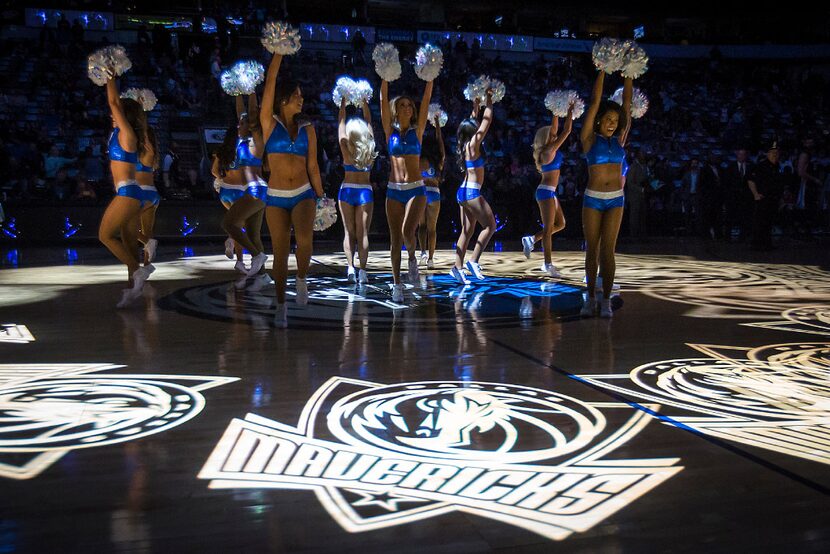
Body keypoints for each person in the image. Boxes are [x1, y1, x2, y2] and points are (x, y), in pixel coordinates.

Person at [260, 49, 324, 327]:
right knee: (280, 251)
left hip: (303, 193)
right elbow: (270, 81)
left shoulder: (308, 128)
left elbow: (313, 167)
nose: (301, 98)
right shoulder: (267, 123)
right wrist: (277, 54)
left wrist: (321, 198)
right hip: (275, 197)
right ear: (283, 99)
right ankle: (281, 305)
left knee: (306, 242)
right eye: (296, 94)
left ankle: (301, 278)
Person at [579, 69, 633, 318]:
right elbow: (594, 102)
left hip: (616, 200)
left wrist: (629, 73)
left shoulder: (620, 140)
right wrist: (601, 68)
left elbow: (627, 104)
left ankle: (606, 301)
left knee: (608, 251)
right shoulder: (589, 139)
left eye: (615, 120)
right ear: (599, 120)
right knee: (593, 249)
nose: (612, 123)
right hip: (593, 199)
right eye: (608, 119)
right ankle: (590, 297)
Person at [379, 62, 434, 302]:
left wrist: (430, 78)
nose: (407, 108)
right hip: (394, 190)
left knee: (406, 232)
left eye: (409, 105)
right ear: (396, 109)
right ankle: (397, 285)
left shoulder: (417, 130)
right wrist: (384, 76)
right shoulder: (389, 131)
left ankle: (412, 257)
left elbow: (426, 99)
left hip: (415, 189)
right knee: (394, 241)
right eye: (402, 105)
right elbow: (382, 101)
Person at [98, 76, 154, 307]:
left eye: (118, 114)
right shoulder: (124, 135)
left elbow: (113, 103)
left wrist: (110, 75)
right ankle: (133, 288)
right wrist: (139, 105)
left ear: (124, 117)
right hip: (133, 195)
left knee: (105, 236)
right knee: (130, 245)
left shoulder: (127, 135)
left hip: (128, 194)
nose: (112, 115)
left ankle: (136, 271)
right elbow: (119, 109)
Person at [213, 94, 268, 286]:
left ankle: (257, 255)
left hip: (257, 191)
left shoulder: (256, 140)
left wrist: (252, 92)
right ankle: (262, 275)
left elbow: (251, 115)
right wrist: (239, 92)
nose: (239, 124)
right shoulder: (242, 141)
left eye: (243, 123)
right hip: (251, 192)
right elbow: (242, 113)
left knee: (229, 224)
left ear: (252, 125)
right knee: (253, 235)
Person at [521, 103, 574, 277]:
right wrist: (569, 111)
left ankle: (532, 239)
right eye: (551, 134)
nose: (555, 134)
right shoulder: (548, 151)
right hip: (545, 192)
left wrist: (556, 110)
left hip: (550, 192)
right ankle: (547, 264)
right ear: (546, 138)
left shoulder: (549, 149)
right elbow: (565, 131)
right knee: (548, 228)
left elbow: (557, 128)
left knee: (562, 224)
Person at [451, 92, 497, 284]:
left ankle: (457, 267)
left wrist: (475, 105)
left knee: (467, 231)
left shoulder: (465, 144)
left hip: (462, 192)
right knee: (490, 226)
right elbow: (486, 122)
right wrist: (489, 101)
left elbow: (474, 122)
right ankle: (473, 261)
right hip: (471, 192)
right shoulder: (474, 144)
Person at [337, 96, 377, 284]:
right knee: (363, 233)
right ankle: (363, 271)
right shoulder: (369, 147)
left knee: (349, 232)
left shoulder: (346, 146)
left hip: (347, 191)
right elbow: (369, 121)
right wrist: (364, 103)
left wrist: (343, 104)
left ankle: (351, 267)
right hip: (364, 192)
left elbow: (340, 123)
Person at [417, 114, 446, 270]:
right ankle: (431, 259)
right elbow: (440, 144)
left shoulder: (418, 160)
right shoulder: (438, 160)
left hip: (421, 193)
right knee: (432, 228)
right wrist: (437, 126)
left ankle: (422, 252)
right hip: (434, 193)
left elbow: (417, 141)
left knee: (421, 226)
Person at [747, 140, 785, 250]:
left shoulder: (778, 166)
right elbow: (750, 180)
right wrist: (755, 194)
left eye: (777, 153)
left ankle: (767, 244)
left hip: (773, 199)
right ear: (768, 154)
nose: (775, 155)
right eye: (773, 153)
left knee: (769, 223)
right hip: (763, 199)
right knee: (760, 222)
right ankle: (756, 245)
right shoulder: (761, 166)